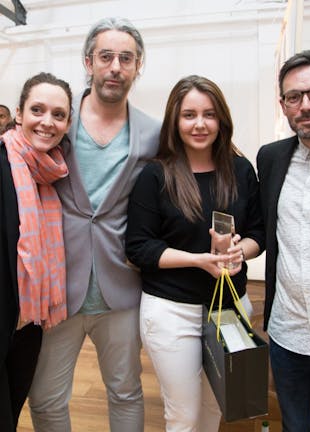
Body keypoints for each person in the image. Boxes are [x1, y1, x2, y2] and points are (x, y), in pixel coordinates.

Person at [28, 17, 160, 432]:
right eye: (106, 56)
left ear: (138, 66)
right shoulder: (57, 124)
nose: (115, 66)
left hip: (120, 288)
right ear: (89, 62)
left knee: (125, 391)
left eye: (126, 58)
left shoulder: (153, 134)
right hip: (56, 289)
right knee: (47, 398)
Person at [125, 75, 264, 432]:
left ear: (222, 120)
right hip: (173, 312)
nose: (200, 124)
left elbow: (258, 235)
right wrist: (200, 260)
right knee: (183, 415)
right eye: (189, 115)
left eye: (209, 114)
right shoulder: (155, 176)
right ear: (175, 120)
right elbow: (139, 247)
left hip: (231, 307)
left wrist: (236, 252)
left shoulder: (241, 170)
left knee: (216, 404)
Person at [0, 72, 72, 431]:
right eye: (37, 110)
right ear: (19, 113)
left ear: (68, 123)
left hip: (27, 325)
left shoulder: (50, 175)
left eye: (58, 114)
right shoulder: (3, 161)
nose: (47, 122)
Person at [257, 50, 310, 432]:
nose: (306, 106)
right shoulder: (271, 158)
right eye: (295, 97)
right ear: (282, 105)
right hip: (289, 332)